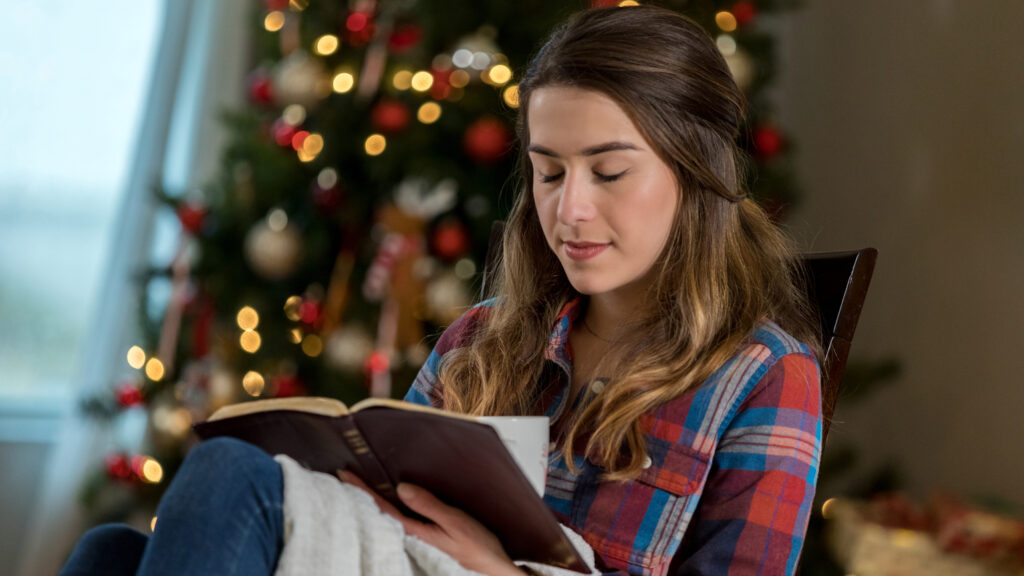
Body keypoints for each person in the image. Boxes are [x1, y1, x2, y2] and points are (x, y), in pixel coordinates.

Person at [59, 5, 822, 576]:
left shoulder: (762, 376)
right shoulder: (481, 340)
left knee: (225, 481)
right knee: (109, 554)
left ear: (696, 176)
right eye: (549, 171)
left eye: (610, 171)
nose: (570, 209)